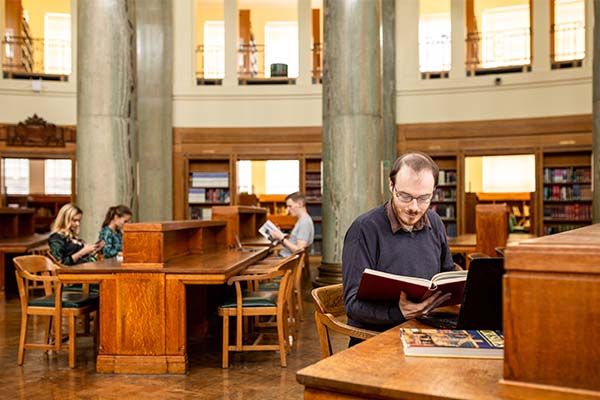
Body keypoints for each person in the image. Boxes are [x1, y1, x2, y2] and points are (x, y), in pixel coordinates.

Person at [342, 152, 455, 342]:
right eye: (405, 196)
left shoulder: (435, 222)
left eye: (424, 198)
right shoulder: (364, 229)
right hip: (376, 338)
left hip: (426, 330)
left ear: (434, 191)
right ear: (391, 185)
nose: (414, 207)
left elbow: (447, 273)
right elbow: (352, 305)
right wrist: (398, 312)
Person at [268, 192, 314, 257]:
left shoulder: (304, 222)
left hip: (287, 261)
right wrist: (279, 236)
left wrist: (281, 238)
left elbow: (299, 250)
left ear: (300, 204)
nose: (288, 210)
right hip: (286, 258)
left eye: (290, 206)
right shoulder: (302, 220)